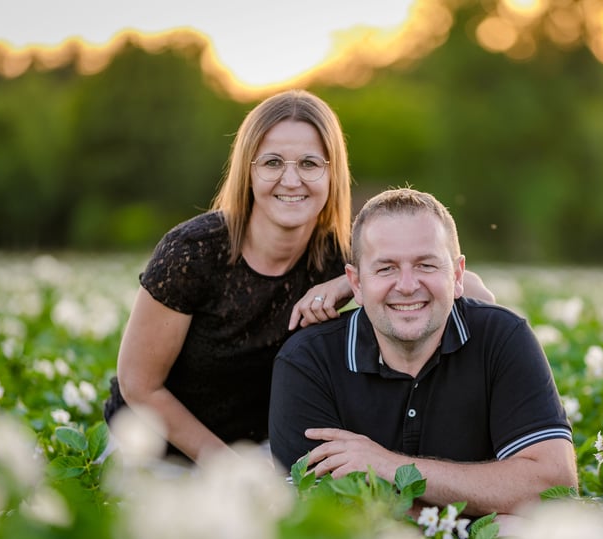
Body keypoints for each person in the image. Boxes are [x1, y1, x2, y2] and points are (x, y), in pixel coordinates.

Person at [105, 90, 493, 463]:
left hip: (263, 453)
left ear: (332, 174)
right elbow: (140, 385)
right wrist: (227, 468)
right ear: (248, 173)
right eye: (272, 163)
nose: (291, 180)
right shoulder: (193, 252)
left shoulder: (343, 253)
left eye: (309, 164)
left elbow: (474, 293)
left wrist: (347, 283)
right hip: (151, 451)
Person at [268, 188, 577, 517]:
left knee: (512, 533)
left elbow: (552, 485)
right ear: (355, 283)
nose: (407, 285)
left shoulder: (502, 337)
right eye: (386, 268)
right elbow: (321, 513)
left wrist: (388, 465)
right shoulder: (308, 361)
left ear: (457, 275)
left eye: (426, 265)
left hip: (478, 538)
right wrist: (487, 501)